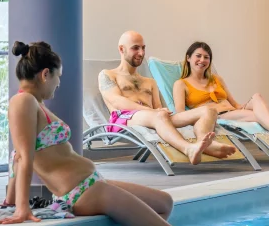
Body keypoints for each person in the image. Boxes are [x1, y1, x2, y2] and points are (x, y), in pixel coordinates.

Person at [1, 40, 179, 226]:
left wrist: (8, 202)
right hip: (82, 191)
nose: (58, 83)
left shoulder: (34, 103)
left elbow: (17, 157)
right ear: (45, 74)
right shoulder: (23, 102)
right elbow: (23, 156)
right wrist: (21, 208)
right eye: (59, 77)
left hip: (92, 183)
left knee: (164, 203)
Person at [98, 31, 236, 164]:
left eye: (143, 48)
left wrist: (159, 111)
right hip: (124, 118)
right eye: (135, 48)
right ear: (122, 49)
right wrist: (154, 112)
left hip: (155, 117)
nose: (141, 53)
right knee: (159, 116)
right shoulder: (108, 75)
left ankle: (204, 142)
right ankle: (188, 149)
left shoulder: (149, 82)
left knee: (209, 110)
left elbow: (157, 107)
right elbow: (117, 101)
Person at [173, 41, 269, 147]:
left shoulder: (217, 79)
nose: (202, 60)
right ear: (188, 58)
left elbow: (234, 103)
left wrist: (244, 106)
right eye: (198, 56)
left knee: (257, 97)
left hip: (233, 110)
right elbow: (181, 114)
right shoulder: (181, 84)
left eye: (206, 57)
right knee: (259, 117)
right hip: (220, 116)